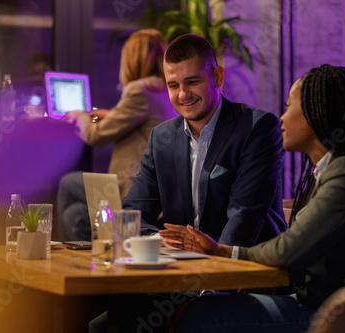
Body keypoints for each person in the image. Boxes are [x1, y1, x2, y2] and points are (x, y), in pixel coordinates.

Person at [160, 64, 345, 332]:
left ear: (315, 112)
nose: (282, 118)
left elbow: (289, 250)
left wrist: (221, 250)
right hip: (319, 303)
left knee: (202, 315)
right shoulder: (327, 172)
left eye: (289, 107)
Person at [123, 34, 287, 247]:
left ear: (218, 77)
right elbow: (132, 215)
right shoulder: (161, 137)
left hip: (244, 270)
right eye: (173, 85)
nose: (182, 95)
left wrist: (211, 256)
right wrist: (163, 242)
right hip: (179, 267)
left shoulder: (258, 128)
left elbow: (244, 218)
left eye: (192, 82)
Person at [56, 29, 176, 241]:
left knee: (67, 182)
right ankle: (90, 256)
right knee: (75, 215)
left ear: (131, 59)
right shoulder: (164, 88)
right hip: (161, 191)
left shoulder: (138, 90)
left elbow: (95, 136)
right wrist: (111, 114)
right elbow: (148, 119)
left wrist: (80, 115)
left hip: (130, 187)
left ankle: (79, 256)